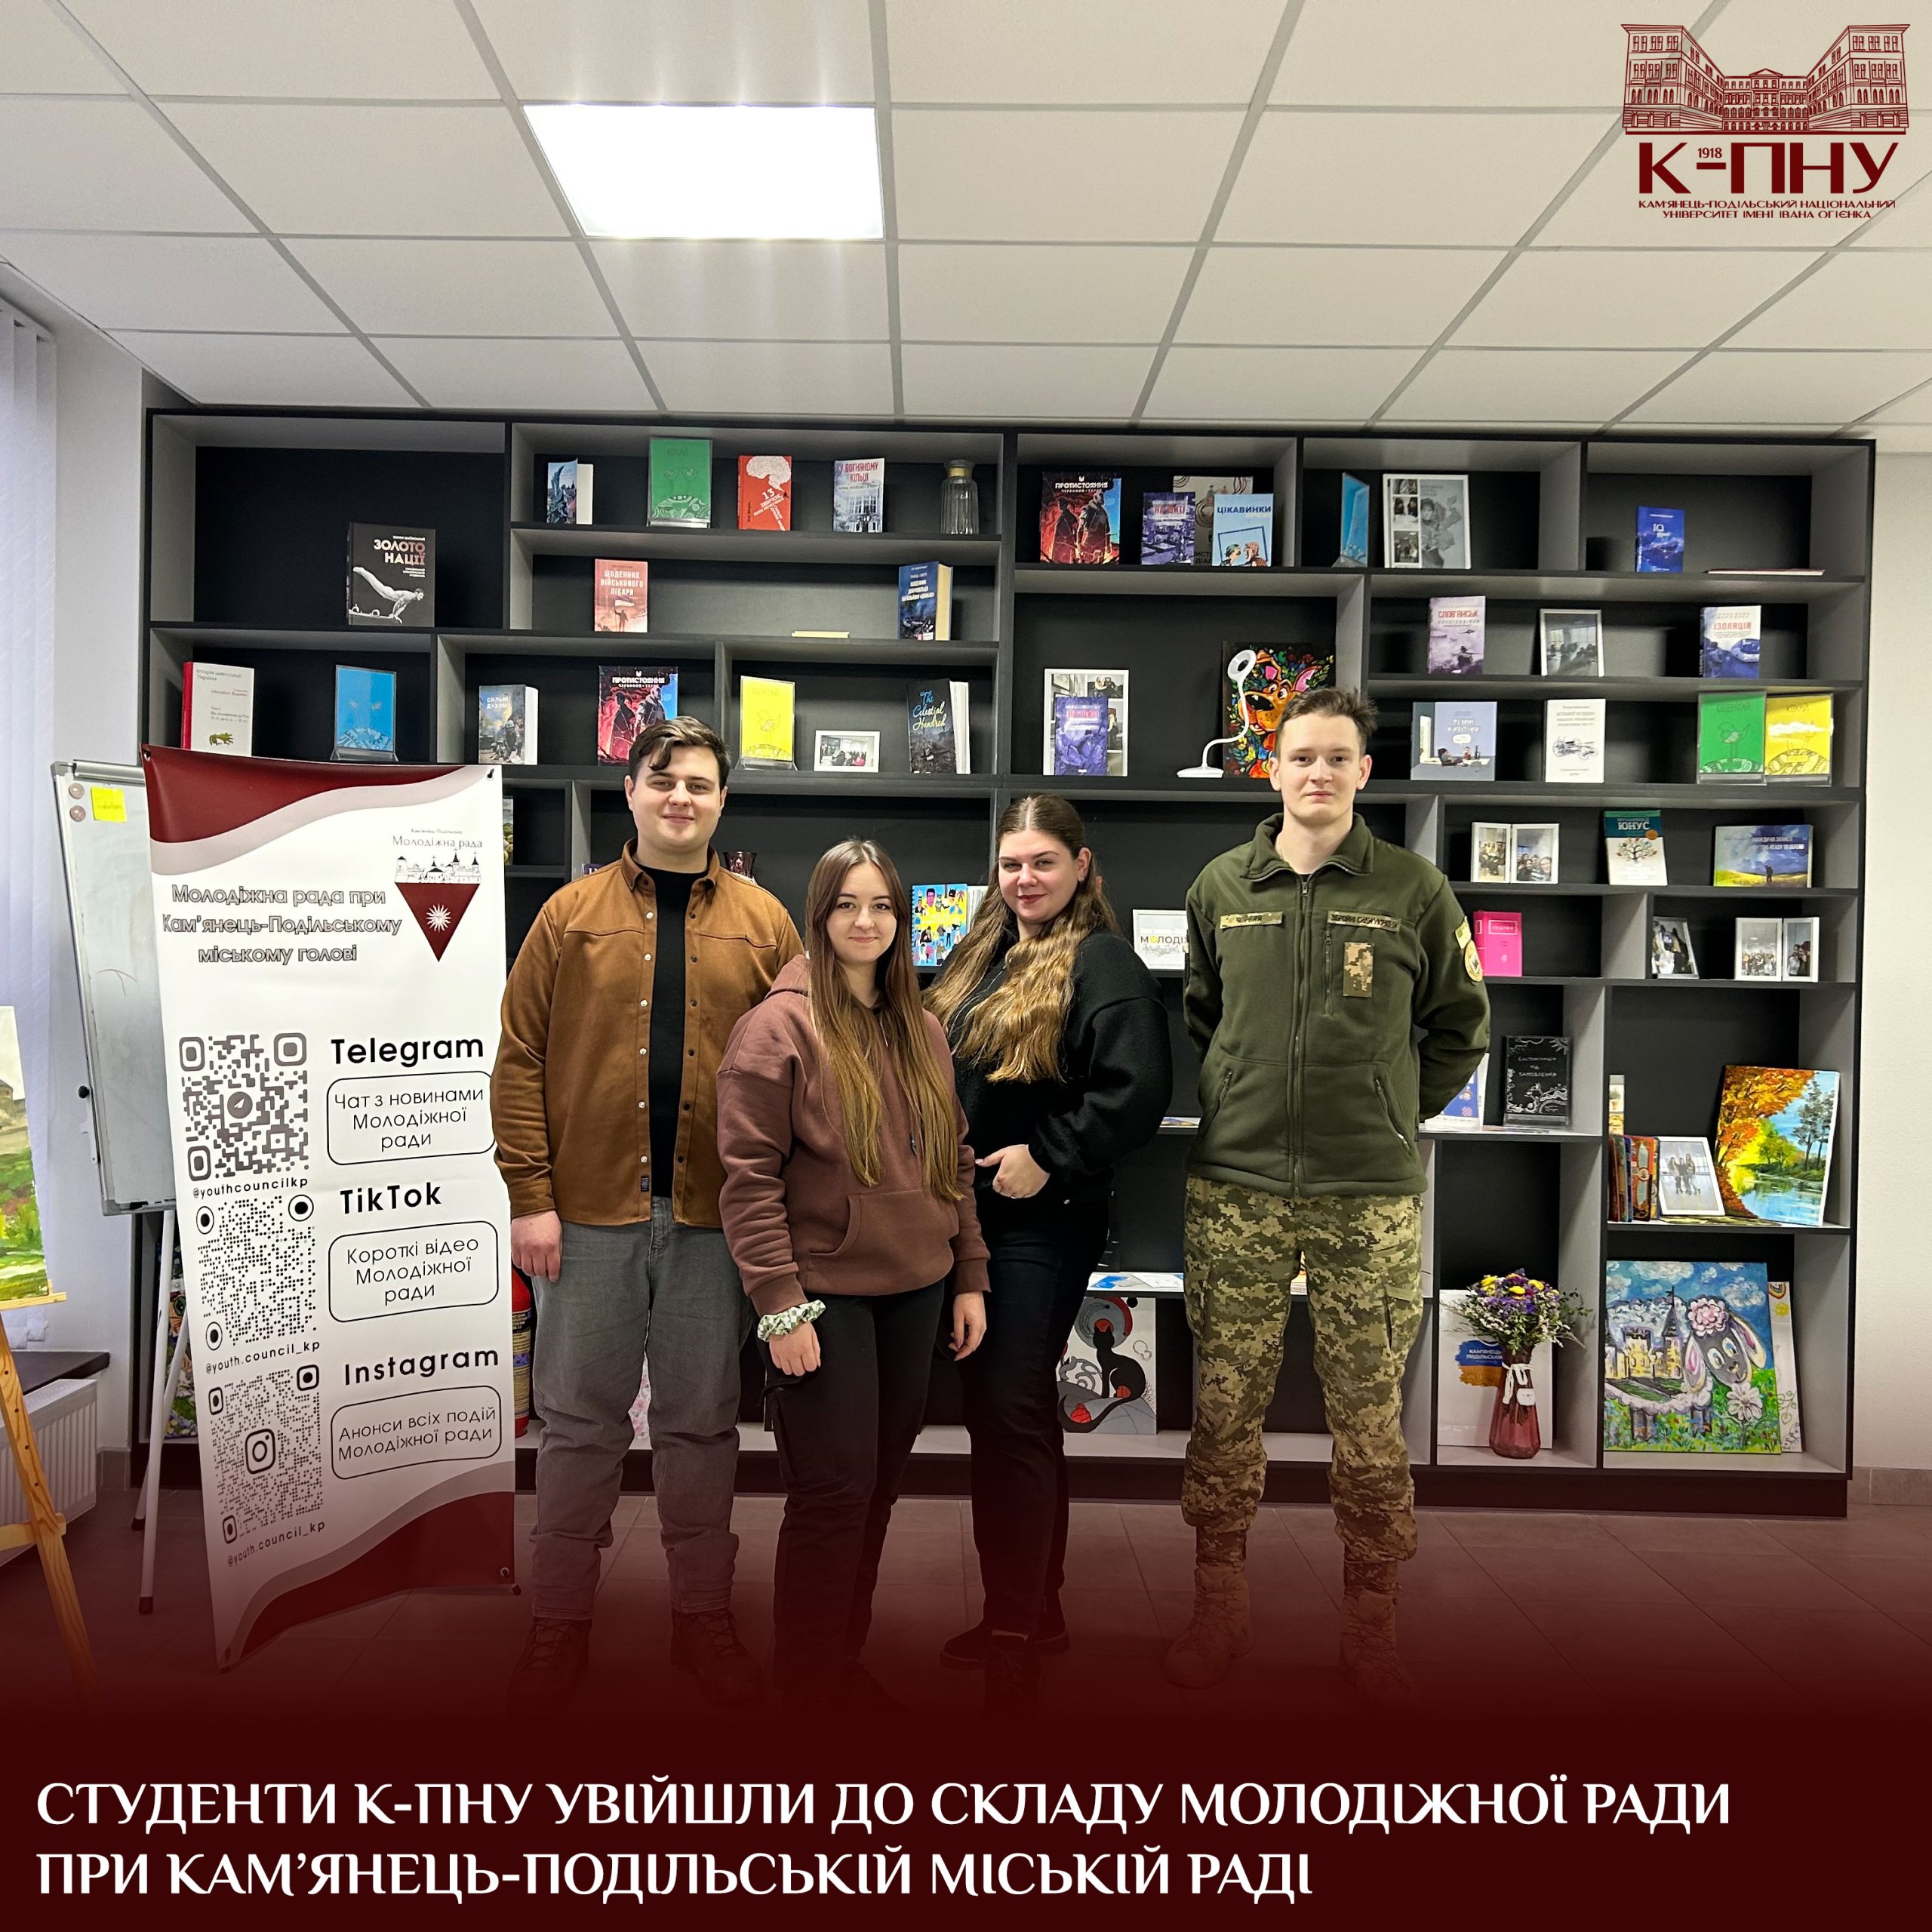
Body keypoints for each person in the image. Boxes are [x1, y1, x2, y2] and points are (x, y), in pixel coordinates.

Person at [1172, 688, 1488, 1707]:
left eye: (1336, 757)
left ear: (1363, 771)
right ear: (1272, 769)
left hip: (1369, 1193)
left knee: (1368, 1415)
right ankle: (1217, 1612)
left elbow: (1462, 1027)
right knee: (1225, 1406)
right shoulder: (1222, 887)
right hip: (1239, 1184)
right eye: (1300, 756)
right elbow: (1204, 1013)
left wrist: (1394, 1111)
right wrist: (1241, 1094)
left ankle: (1371, 1628)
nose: (1317, 772)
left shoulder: (1414, 889)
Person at [492, 716, 802, 1718]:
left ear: (723, 802)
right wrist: (531, 1199)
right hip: (587, 1217)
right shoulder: (568, 915)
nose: (681, 797)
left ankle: (701, 1616)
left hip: (716, 1221)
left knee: (701, 1425)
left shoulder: (766, 924)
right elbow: (519, 1061)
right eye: (663, 779)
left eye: (700, 784)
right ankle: (558, 1621)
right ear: (629, 790)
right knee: (578, 1425)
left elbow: (807, 1067)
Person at [715, 841, 989, 1714]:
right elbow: (747, 1182)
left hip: (917, 1289)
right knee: (831, 1493)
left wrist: (969, 1272)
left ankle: (840, 1657)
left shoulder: (923, 1026)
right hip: (822, 1297)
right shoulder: (776, 1028)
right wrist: (778, 1307)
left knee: (874, 1488)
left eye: (881, 906)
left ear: (901, 920)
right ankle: (807, 1679)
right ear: (819, 914)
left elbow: (954, 1159)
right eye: (846, 904)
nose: (865, 921)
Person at [926, 795, 1171, 1715]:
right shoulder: (980, 952)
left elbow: (1137, 1090)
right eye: (1010, 864)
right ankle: (1038, 1609)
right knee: (1005, 1414)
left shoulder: (1103, 960)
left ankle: (1014, 1629)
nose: (1023, 879)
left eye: (1041, 862)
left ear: (1081, 866)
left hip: (1038, 1220)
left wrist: (1050, 1152)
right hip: (962, 1218)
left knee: (1009, 1408)